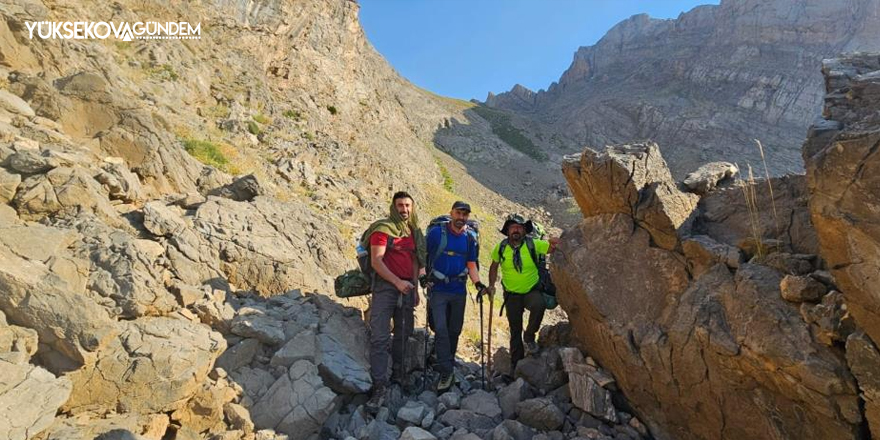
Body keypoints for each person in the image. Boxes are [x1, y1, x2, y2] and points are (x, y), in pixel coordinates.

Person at [365, 191, 426, 411]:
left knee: (403, 333)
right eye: (400, 205)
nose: (404, 209)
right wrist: (397, 283)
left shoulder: (413, 231)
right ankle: (379, 385)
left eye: (408, 205)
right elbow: (377, 261)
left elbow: (415, 262)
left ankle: (400, 375)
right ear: (393, 206)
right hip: (385, 288)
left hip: (408, 287)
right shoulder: (383, 229)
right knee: (380, 336)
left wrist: (415, 290)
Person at [425, 201, 485, 392]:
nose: (461, 217)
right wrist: (421, 276)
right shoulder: (436, 234)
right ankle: (446, 372)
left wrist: (477, 284)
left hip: (459, 290)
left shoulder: (469, 238)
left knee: (454, 330)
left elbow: (471, 263)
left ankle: (447, 363)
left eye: (465, 215)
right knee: (441, 329)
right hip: (438, 288)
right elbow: (422, 255)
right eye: (458, 213)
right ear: (451, 213)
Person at [486, 214, 558, 370]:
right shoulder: (501, 247)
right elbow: (494, 266)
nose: (516, 230)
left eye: (519, 227)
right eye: (513, 227)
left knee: (539, 305)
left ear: (525, 231)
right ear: (508, 231)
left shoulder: (533, 244)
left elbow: (553, 247)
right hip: (511, 294)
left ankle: (530, 336)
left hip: (531, 290)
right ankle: (516, 364)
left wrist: (554, 240)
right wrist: (491, 285)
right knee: (515, 329)